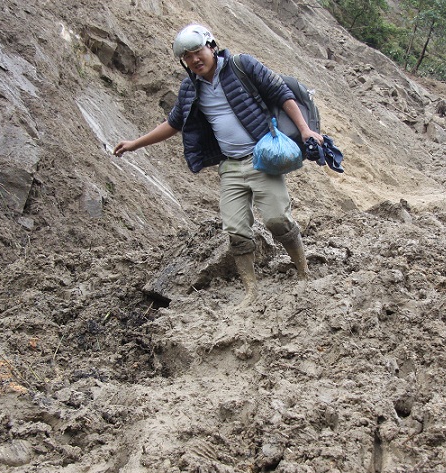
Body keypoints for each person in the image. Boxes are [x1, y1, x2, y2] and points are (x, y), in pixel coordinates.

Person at [113, 24, 323, 307]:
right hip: (231, 167)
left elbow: (281, 94)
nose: (194, 60)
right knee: (236, 231)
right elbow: (173, 123)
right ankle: (250, 291)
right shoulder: (189, 88)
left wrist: (305, 130)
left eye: (197, 52)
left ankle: (303, 272)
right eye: (187, 57)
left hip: (261, 159)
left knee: (277, 220)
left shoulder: (242, 66)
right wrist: (135, 143)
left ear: (210, 46)